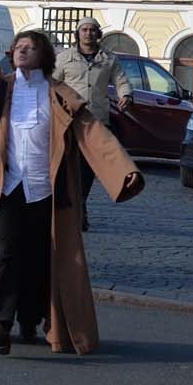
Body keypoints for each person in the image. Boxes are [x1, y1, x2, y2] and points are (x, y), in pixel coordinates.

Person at [0, 4, 144, 356]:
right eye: (18, 45)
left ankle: (30, 318)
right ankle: (1, 321)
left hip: (46, 191)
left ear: (45, 56)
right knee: (4, 250)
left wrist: (123, 171)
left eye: (30, 46)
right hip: (5, 187)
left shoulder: (60, 96)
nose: (21, 49)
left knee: (39, 259)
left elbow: (94, 134)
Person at [54, 17, 133, 232]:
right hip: (68, 120)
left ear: (98, 34)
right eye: (84, 30)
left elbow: (121, 80)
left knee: (87, 169)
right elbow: (53, 83)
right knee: (66, 165)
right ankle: (67, 207)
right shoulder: (64, 58)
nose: (88, 33)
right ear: (77, 34)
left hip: (96, 121)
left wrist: (126, 94)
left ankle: (80, 205)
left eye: (92, 30)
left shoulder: (109, 59)